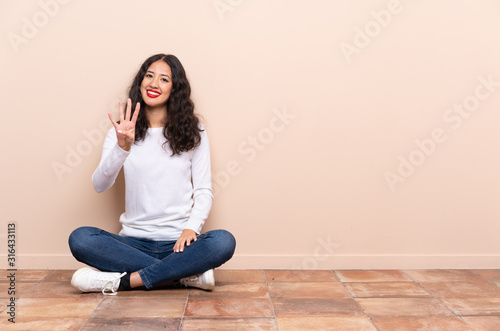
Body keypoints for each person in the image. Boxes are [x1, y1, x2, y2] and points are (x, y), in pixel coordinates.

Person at [68, 54, 236, 295]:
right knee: (81, 239)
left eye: (164, 79)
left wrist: (191, 229)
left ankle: (123, 282)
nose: (153, 83)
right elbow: (100, 185)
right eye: (149, 76)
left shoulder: (194, 132)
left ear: (175, 88)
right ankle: (182, 276)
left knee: (223, 241)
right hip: (131, 243)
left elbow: (203, 190)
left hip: (179, 243)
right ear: (140, 82)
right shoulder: (122, 131)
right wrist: (121, 148)